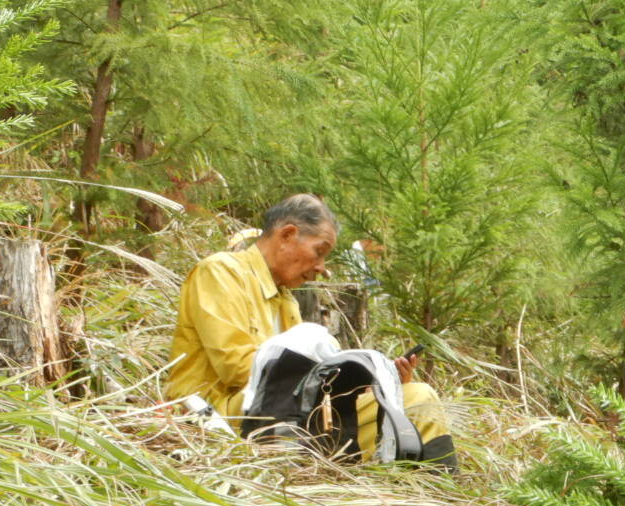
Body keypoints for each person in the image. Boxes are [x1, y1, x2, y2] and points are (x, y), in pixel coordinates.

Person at [166, 193, 452, 461]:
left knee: (417, 399)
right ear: (287, 235)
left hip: (286, 410)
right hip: (219, 416)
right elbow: (238, 369)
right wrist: (332, 376)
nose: (322, 267)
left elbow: (303, 377)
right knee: (407, 403)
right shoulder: (220, 272)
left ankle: (431, 489)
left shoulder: (286, 301)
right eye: (319, 251)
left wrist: (373, 381)